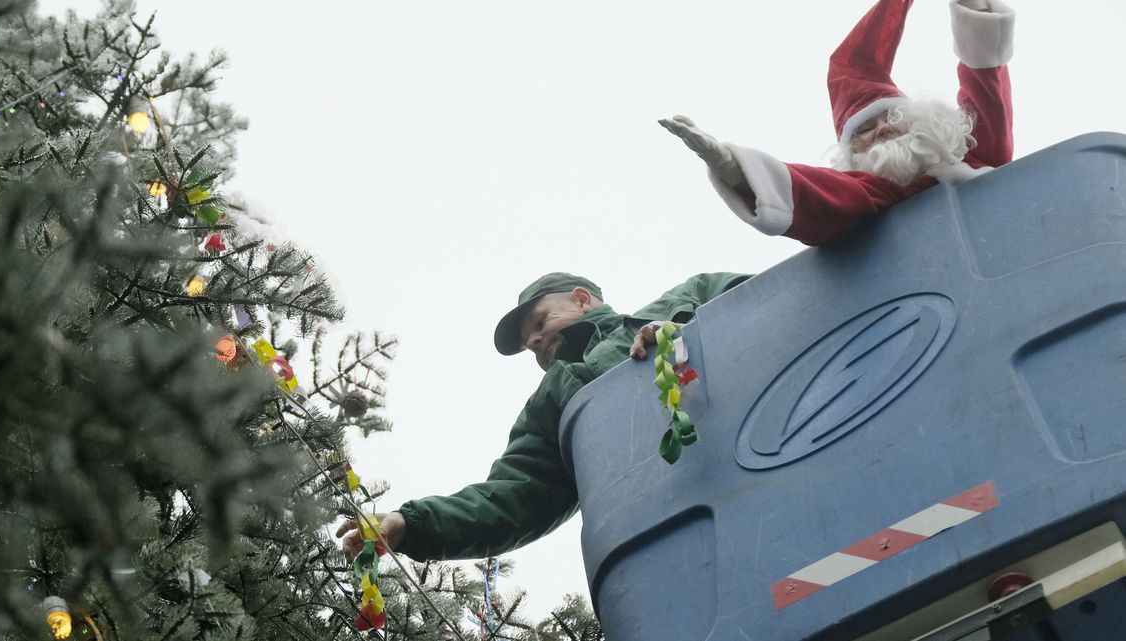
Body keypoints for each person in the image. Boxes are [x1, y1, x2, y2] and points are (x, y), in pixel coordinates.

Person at [337, 271, 749, 561]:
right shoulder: (555, 399)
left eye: (539, 322)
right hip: (667, 548)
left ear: (582, 299)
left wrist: (689, 335)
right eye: (528, 344)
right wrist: (411, 524)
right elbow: (517, 495)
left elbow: (786, 307)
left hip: (768, 478)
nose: (533, 341)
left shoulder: (689, 297)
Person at [660, 0, 1015, 246]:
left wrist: (976, 8)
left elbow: (985, 84)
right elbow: (823, 195)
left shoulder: (973, 155)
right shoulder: (874, 197)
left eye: (891, 115)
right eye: (862, 130)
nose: (881, 130)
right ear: (853, 153)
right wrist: (732, 167)